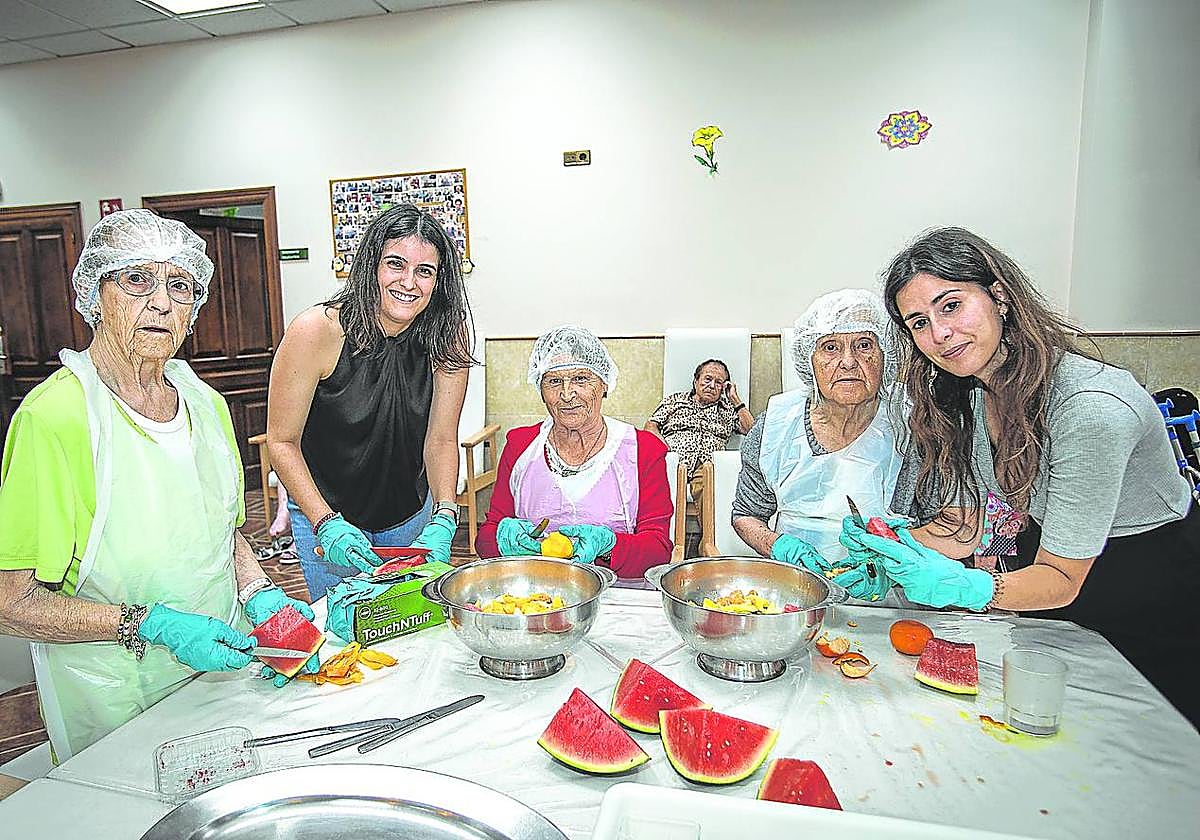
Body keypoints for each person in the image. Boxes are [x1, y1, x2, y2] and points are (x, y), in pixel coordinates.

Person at [845, 226, 1197, 724]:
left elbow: (1062, 578)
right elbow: (968, 523)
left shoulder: (1091, 410)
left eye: (951, 306)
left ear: (1000, 296)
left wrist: (966, 588)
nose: (938, 335)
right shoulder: (973, 394)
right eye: (918, 323)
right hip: (1049, 571)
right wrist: (894, 541)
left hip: (1143, 584)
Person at [0, 210, 315, 762]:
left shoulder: (207, 405)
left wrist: (259, 592)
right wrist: (145, 624)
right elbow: (10, 603)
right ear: (96, 294)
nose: (162, 302)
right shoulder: (56, 419)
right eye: (137, 280)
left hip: (220, 671)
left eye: (179, 285)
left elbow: (224, 533)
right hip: (114, 699)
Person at [267, 205, 475, 602]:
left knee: (408, 631)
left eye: (425, 271)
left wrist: (446, 512)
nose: (408, 283)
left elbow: (441, 440)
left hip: (410, 516)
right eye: (395, 264)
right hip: (326, 515)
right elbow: (281, 442)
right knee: (344, 640)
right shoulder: (317, 331)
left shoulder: (448, 336)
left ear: (439, 281)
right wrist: (324, 522)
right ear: (371, 265)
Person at [732, 289, 905, 602]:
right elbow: (746, 514)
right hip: (791, 594)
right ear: (808, 361)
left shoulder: (911, 427)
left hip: (890, 601)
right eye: (830, 347)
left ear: (886, 356)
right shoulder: (775, 424)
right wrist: (777, 546)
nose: (849, 362)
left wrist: (890, 566)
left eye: (864, 345)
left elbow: (943, 527)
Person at [475, 326, 673, 578]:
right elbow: (486, 539)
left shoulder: (642, 449)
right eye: (554, 381)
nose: (567, 394)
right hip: (534, 598)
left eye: (581, 379)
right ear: (541, 388)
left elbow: (658, 550)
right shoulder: (520, 445)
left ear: (604, 385)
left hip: (618, 599)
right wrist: (502, 538)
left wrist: (611, 547)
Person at [645, 358, 753, 497]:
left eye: (718, 382)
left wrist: (735, 399)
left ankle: (709, 519)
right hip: (674, 462)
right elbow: (651, 426)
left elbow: (751, 431)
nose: (712, 385)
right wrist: (667, 453)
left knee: (707, 479)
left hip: (707, 467)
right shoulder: (675, 400)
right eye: (707, 379)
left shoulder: (727, 410)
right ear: (696, 381)